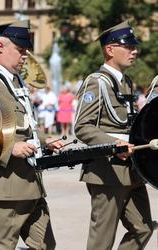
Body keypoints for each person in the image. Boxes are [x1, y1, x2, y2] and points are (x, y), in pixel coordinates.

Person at [0, 19, 64, 250]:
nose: (25, 56)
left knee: (45, 245)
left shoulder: (17, 82)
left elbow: (26, 125)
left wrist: (45, 139)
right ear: (1, 47)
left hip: (31, 185)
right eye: (20, 50)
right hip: (4, 189)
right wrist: (11, 147)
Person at [74, 20, 153, 249]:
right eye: (128, 46)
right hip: (107, 171)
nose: (135, 51)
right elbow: (82, 126)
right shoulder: (96, 82)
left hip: (132, 170)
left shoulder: (126, 82)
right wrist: (113, 144)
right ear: (110, 50)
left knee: (143, 228)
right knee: (102, 239)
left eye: (134, 46)